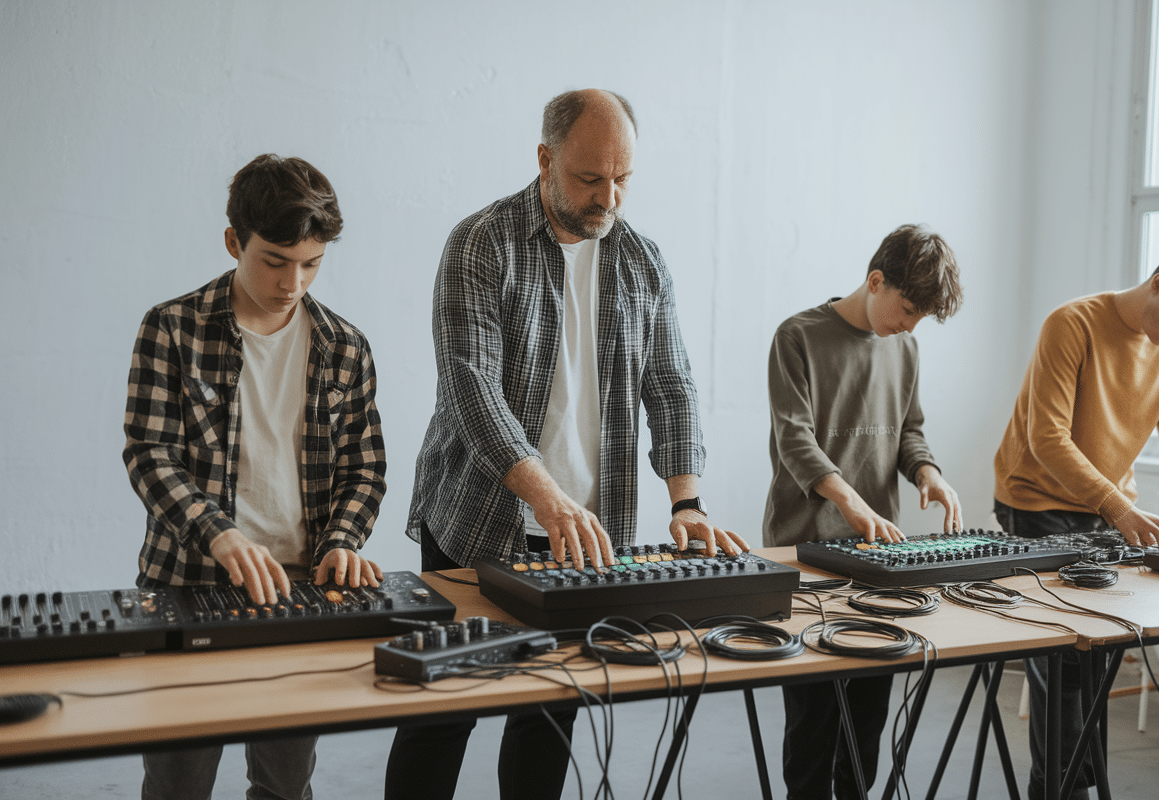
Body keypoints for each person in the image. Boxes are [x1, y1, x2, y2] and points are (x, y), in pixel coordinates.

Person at [384, 88, 748, 800]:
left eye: (623, 178)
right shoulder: (480, 243)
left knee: (551, 712)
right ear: (545, 159)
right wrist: (548, 500)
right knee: (443, 711)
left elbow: (672, 386)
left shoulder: (644, 263)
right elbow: (471, 388)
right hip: (476, 521)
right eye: (589, 178)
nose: (608, 197)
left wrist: (689, 500)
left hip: (586, 535)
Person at [123, 154, 387, 800]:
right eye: (274, 260)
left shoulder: (345, 347)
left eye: (312, 263)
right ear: (233, 241)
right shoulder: (172, 329)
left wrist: (343, 542)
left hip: (300, 593)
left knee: (285, 786)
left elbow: (365, 467)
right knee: (177, 784)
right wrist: (221, 535)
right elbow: (149, 453)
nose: (293, 281)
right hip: (188, 585)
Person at [992, 242, 1159, 800]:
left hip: (1106, 509)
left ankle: (1073, 785)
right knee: (1062, 660)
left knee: (1096, 657)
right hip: (1036, 503)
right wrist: (1119, 507)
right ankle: (1063, 791)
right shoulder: (1072, 323)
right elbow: (1046, 438)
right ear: (1158, 284)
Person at [763, 224, 965, 798]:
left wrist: (930, 474)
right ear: (875, 281)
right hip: (803, 547)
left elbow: (910, 433)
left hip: (878, 557)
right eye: (905, 309)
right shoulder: (797, 336)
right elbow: (795, 440)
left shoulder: (905, 345)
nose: (908, 325)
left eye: (920, 318)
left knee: (867, 716)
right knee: (812, 717)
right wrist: (850, 500)